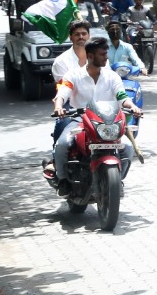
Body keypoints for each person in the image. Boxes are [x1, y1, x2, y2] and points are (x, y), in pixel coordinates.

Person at [51, 38, 143, 196]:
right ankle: (63, 180)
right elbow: (62, 94)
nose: (106, 57)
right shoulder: (73, 75)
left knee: (127, 148)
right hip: (80, 121)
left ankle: (117, 181)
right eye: (102, 54)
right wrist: (58, 107)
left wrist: (132, 106)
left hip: (107, 122)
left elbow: (122, 97)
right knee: (62, 144)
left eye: (106, 53)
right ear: (91, 56)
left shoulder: (112, 77)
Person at [47, 20, 92, 149]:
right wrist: (59, 106)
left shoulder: (99, 57)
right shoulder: (61, 61)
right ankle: (56, 158)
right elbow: (63, 89)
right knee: (63, 124)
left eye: (84, 33)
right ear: (70, 37)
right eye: (77, 34)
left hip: (97, 103)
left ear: (89, 36)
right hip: (72, 104)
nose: (81, 37)